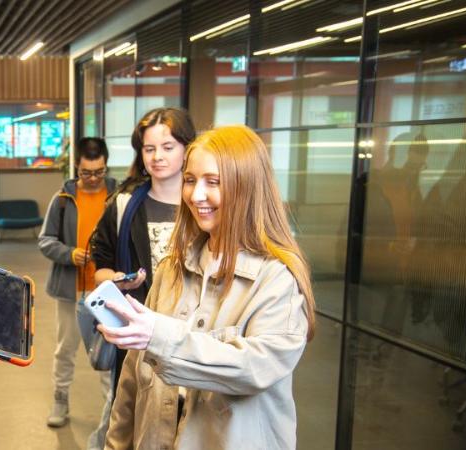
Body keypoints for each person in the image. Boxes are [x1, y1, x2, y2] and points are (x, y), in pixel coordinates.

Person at [99, 125, 316, 449]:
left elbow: (255, 367)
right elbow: (131, 382)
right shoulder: (172, 268)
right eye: (190, 180)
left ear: (247, 187)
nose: (195, 195)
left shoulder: (277, 279)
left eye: (212, 182)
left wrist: (159, 337)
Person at [90, 107, 196, 393]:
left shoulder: (203, 205)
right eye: (149, 149)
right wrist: (117, 280)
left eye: (168, 147)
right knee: (133, 414)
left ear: (187, 149)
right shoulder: (124, 205)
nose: (157, 156)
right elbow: (100, 269)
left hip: (193, 335)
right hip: (137, 332)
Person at [38, 137, 117, 446]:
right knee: (65, 349)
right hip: (71, 289)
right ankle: (60, 399)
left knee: (109, 352)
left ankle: (112, 409)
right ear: (77, 168)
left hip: (108, 290)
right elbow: (46, 241)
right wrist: (70, 254)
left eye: (99, 172)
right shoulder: (62, 199)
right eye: (87, 173)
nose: (93, 179)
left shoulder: (119, 196)